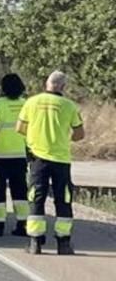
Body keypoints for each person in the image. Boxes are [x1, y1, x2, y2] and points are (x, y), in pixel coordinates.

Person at [17, 70, 87, 256]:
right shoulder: (69, 106)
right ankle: (63, 244)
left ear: (46, 84)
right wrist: (62, 138)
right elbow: (80, 134)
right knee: (63, 199)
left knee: (35, 198)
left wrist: (37, 137)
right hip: (61, 160)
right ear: (63, 87)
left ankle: (35, 243)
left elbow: (20, 128)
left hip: (37, 158)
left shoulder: (31, 102)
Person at [0, 73, 30, 237]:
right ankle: (23, 224)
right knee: (20, 192)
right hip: (20, 156)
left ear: (3, 88)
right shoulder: (26, 105)